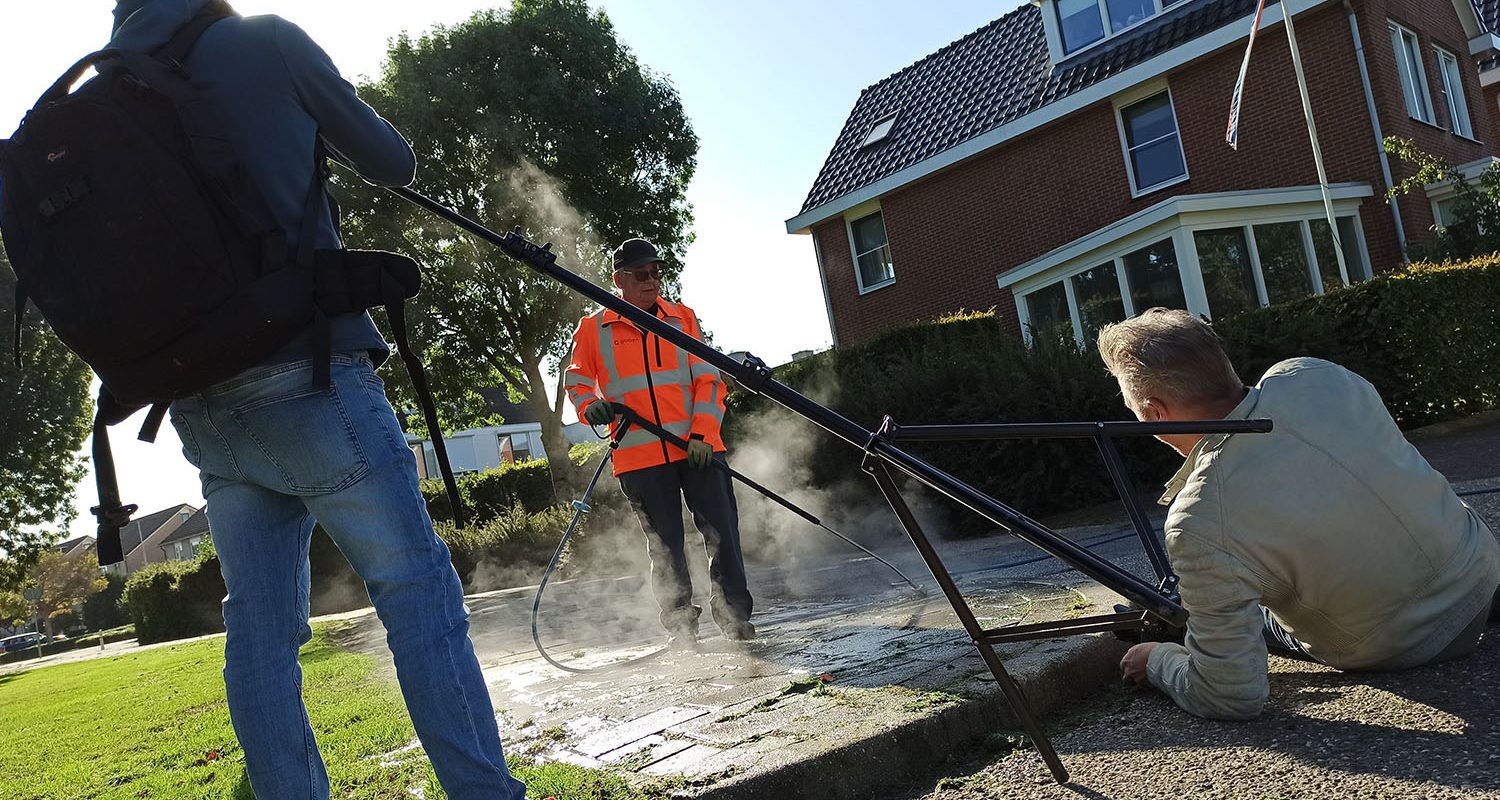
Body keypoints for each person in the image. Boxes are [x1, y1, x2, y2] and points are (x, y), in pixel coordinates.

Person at [107, 2, 526, 796]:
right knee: (416, 593)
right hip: (312, 373)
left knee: (260, 633)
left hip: (203, 409)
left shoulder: (104, 93)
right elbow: (392, 162)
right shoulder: (263, 42)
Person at [1096, 308, 1500, 721]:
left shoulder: (1199, 517)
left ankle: (1199, 617)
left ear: (1153, 413)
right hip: (1480, 567)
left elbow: (1228, 695)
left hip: (1403, 642)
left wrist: (1158, 661)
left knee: (1250, 614)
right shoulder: (1315, 375)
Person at [565, 238, 755, 646]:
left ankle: (736, 620)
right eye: (641, 274)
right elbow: (577, 381)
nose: (652, 281)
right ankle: (681, 628)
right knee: (665, 547)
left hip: (698, 449)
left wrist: (703, 434)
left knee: (723, 534)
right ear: (619, 280)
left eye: (656, 272)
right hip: (639, 455)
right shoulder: (593, 328)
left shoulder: (682, 318)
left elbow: (708, 380)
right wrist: (590, 407)